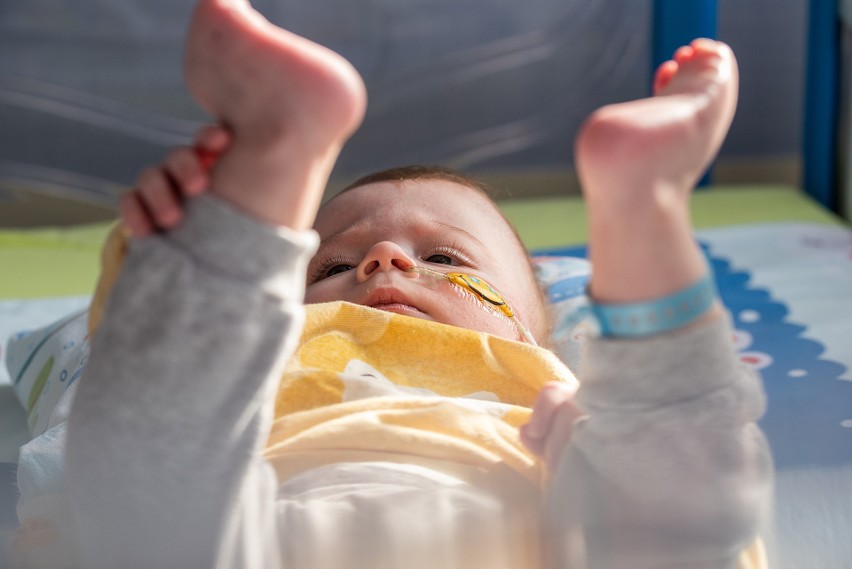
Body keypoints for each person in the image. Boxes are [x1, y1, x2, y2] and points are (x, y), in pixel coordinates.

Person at [54, 0, 772, 567]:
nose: (385, 261)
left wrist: (604, 435)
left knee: (672, 484)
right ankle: (256, 199)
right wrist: (185, 257)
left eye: (450, 261)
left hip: (525, 515)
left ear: (537, 327)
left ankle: (641, 211)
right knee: (148, 458)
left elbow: (647, 454)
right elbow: (152, 383)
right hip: (261, 514)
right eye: (329, 265)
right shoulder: (266, 354)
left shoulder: (541, 379)